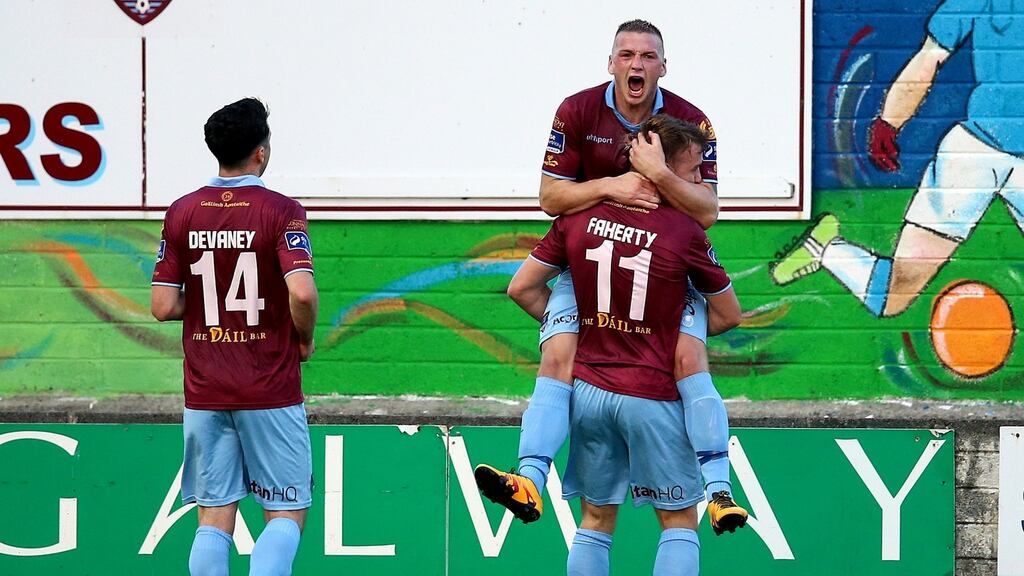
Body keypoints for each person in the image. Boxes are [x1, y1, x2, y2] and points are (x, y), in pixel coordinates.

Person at [475, 19, 748, 535]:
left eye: (648, 56)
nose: (637, 64)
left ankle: (719, 491)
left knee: (689, 358)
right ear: (611, 63)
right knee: (559, 355)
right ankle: (528, 475)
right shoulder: (577, 110)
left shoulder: (693, 122)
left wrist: (660, 175)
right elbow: (550, 198)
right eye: (626, 55)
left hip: (666, 267)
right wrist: (613, 187)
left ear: (663, 67)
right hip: (590, 262)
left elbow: (707, 210)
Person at [506, 116, 738, 575]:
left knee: (593, 521)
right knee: (678, 522)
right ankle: (720, 489)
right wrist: (673, 327)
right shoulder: (685, 233)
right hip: (651, 393)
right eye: (693, 171)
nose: (698, 182)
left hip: (588, 394)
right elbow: (730, 314)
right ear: (661, 169)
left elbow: (522, 289)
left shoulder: (578, 218)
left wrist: (582, 326)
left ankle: (530, 472)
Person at [151, 97, 318, 576]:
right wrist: (302, 338)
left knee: (213, 517)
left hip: (205, 390)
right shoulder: (280, 211)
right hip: (269, 387)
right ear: (260, 153)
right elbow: (301, 295)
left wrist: (208, 307)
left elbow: (162, 305)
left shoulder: (182, 212)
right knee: (285, 513)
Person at [771, 2, 1024, 317]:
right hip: (976, 155)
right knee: (894, 295)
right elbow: (929, 58)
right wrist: (888, 122)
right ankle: (827, 250)